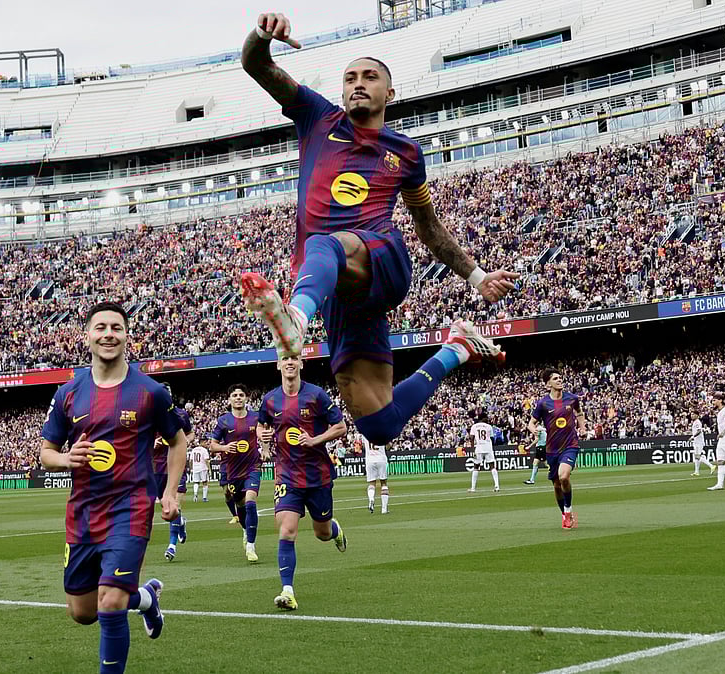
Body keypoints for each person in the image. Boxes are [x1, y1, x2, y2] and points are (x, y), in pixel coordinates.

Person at [238, 11, 515, 452]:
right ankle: (457, 346)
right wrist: (261, 35)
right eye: (350, 78)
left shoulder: (405, 152)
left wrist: (477, 277)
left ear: (390, 92)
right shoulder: (317, 117)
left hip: (381, 259)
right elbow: (256, 64)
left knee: (326, 243)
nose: (358, 83)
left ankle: (295, 319)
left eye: (369, 77)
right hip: (336, 290)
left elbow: (428, 226)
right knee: (378, 423)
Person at [40, 302, 187, 674]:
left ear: (126, 336)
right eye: (101, 327)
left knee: (109, 602)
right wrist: (68, 459)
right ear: (87, 336)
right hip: (84, 513)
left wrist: (169, 493)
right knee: (83, 612)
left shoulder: (151, 392)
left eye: (117, 328)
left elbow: (178, 441)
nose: (109, 334)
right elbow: (46, 453)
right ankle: (146, 598)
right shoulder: (68, 394)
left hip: (131, 507)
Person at [257, 355, 349, 610]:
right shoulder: (270, 399)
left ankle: (334, 530)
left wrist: (315, 440)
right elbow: (262, 426)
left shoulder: (317, 395)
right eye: (284, 358)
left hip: (318, 475)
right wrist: (264, 441)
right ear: (277, 364)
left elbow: (340, 427)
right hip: (287, 474)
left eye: (294, 358)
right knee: (286, 529)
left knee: (322, 533)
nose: (289, 362)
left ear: (301, 364)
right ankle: (288, 591)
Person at [209, 384, 264, 563]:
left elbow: (266, 433)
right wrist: (224, 447)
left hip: (253, 467)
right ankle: (245, 530)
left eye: (241, 395)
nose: (238, 397)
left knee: (250, 502)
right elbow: (212, 445)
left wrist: (265, 447)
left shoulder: (256, 417)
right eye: (235, 395)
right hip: (233, 471)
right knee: (240, 506)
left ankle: (251, 545)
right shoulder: (224, 420)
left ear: (246, 398)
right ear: (229, 399)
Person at [529, 369, 586, 529]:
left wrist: (582, 427)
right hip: (552, 448)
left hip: (570, 445)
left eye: (560, 378)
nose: (560, 380)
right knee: (556, 485)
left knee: (564, 477)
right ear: (548, 384)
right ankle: (564, 514)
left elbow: (579, 413)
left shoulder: (572, 398)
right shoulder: (543, 403)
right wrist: (533, 428)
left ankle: (568, 511)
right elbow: (531, 422)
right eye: (555, 378)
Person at [154, 387, 193, 563]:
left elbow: (190, 433)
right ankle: (181, 522)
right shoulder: (147, 415)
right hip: (155, 469)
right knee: (167, 508)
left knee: (173, 505)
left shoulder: (181, 415)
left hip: (176, 466)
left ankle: (171, 545)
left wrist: (183, 441)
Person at [468, 410, 501, 493]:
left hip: (479, 448)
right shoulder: (489, 427)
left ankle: (473, 488)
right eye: (486, 418)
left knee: (476, 467)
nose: (487, 419)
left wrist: (472, 449)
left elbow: (471, 438)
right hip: (488, 448)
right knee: (492, 466)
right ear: (483, 418)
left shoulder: (474, 426)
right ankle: (497, 486)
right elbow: (492, 438)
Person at [363, 434, 390, 514]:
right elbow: (388, 446)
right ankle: (384, 509)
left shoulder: (364, 433)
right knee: (383, 483)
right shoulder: (382, 432)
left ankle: (371, 499)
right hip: (381, 459)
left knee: (372, 483)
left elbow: (364, 447)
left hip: (369, 460)